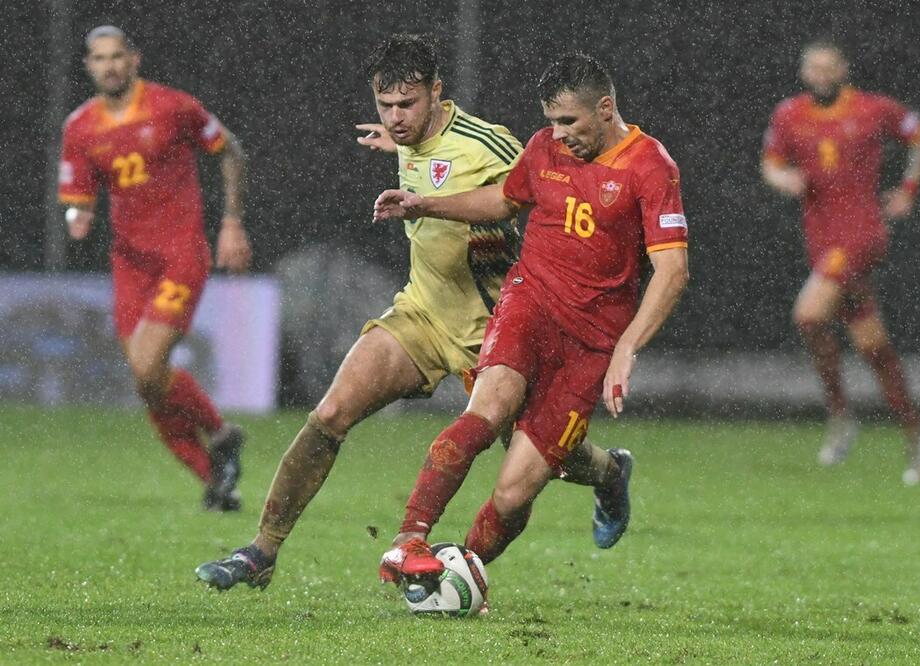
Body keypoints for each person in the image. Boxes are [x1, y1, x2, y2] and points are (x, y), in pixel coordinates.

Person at [195, 35, 630, 591]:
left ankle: (611, 472)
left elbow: (550, 192)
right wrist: (399, 145)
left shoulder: (489, 145)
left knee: (549, 460)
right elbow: (424, 156)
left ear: (437, 93)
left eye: (408, 106)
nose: (396, 118)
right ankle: (260, 552)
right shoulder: (406, 140)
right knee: (330, 414)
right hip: (422, 315)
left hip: (496, 330)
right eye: (385, 107)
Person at [374, 52, 689, 583]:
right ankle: (411, 540)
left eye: (569, 121)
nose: (558, 134)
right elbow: (503, 200)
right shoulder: (544, 148)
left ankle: (459, 576)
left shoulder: (650, 166)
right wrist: (425, 205)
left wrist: (624, 350)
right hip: (529, 302)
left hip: (591, 342)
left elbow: (673, 270)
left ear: (606, 108)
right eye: (551, 122)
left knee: (515, 489)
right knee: (487, 408)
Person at [58, 26, 251, 510]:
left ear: (134, 59)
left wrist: (231, 222)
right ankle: (216, 477)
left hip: (181, 253)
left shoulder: (173, 107)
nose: (109, 66)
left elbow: (231, 150)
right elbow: (78, 198)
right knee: (149, 384)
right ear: (89, 66)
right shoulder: (79, 128)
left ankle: (221, 435)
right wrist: (78, 216)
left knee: (147, 368)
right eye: (99, 58)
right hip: (129, 262)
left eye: (117, 56)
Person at [760, 40, 920, 484]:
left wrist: (908, 190)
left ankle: (841, 414)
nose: (821, 74)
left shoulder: (873, 109)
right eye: (813, 67)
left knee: (807, 315)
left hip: (861, 234)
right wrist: (786, 180)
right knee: (871, 346)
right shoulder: (789, 115)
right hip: (821, 239)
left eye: (828, 66)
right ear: (804, 72)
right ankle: (918, 431)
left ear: (843, 68)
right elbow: (771, 164)